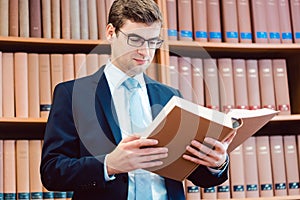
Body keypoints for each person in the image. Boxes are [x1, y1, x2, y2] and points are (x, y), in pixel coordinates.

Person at [40, 0, 235, 199]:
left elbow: (196, 174)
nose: (145, 52)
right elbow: (52, 173)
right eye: (135, 39)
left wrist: (216, 164)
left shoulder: (170, 96)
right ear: (110, 33)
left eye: (153, 42)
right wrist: (109, 164)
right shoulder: (72, 94)